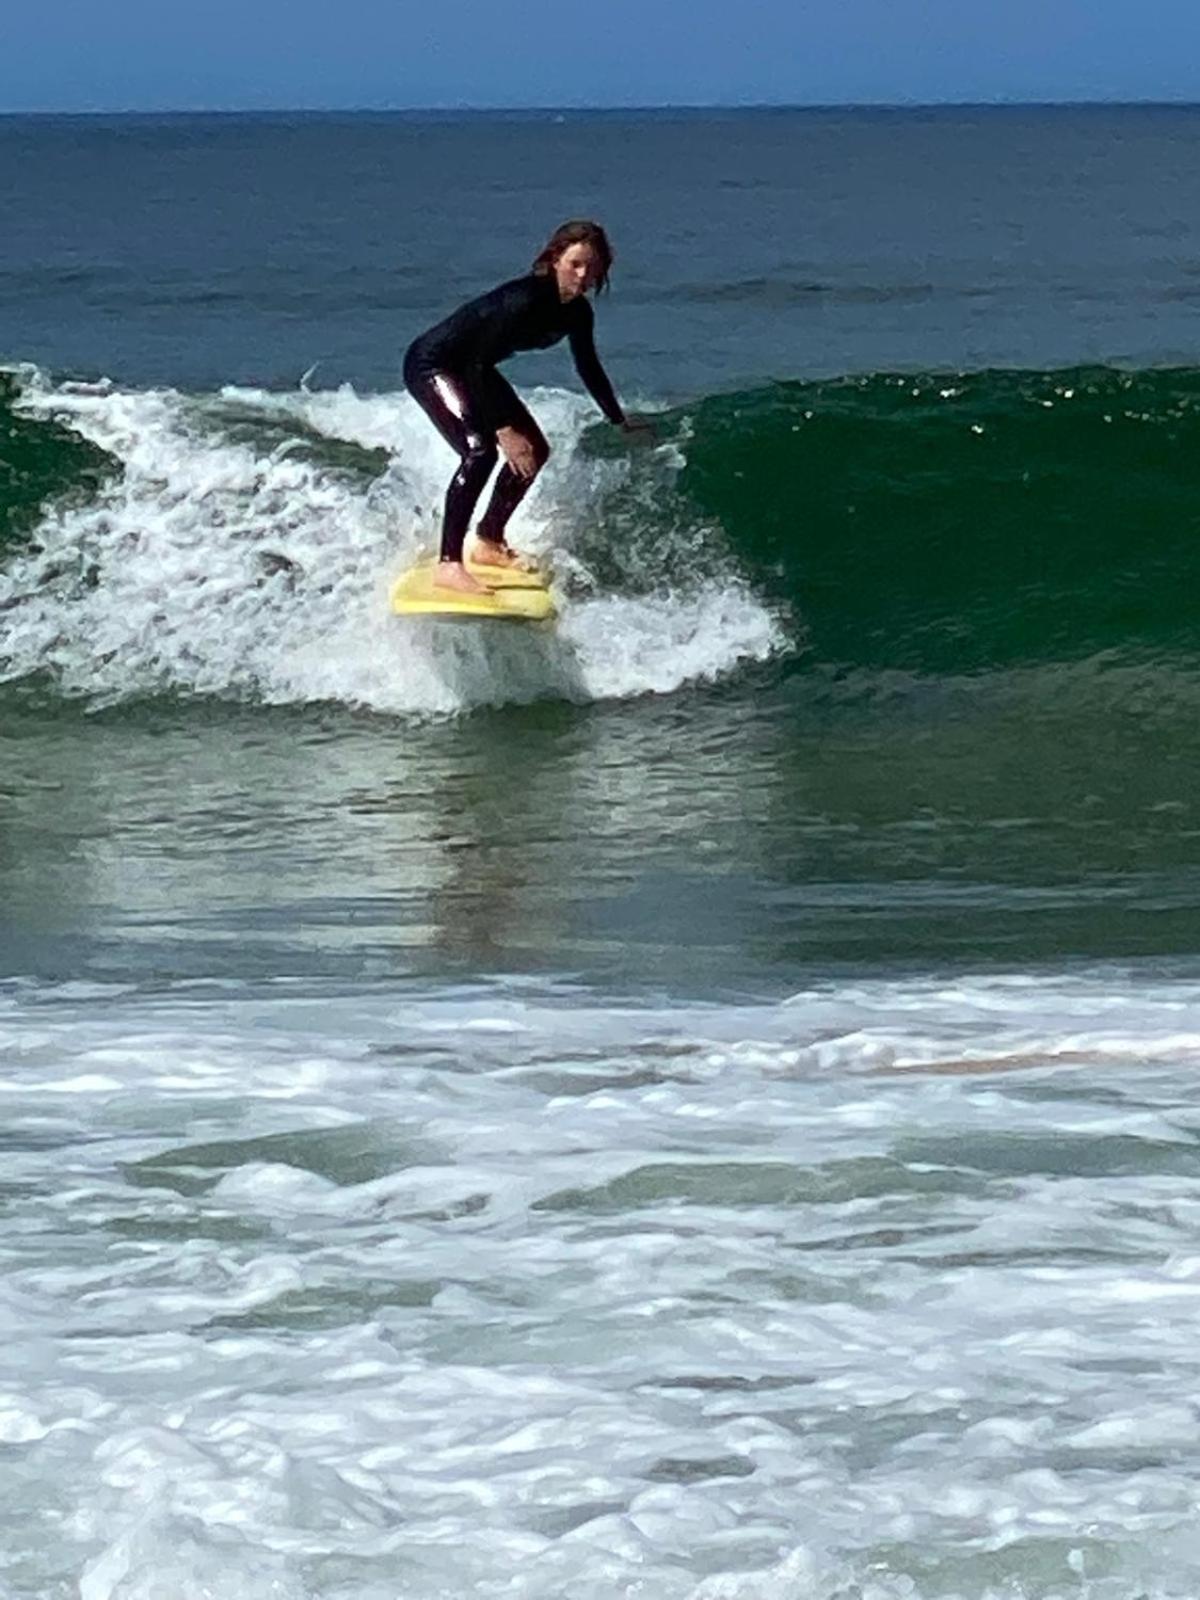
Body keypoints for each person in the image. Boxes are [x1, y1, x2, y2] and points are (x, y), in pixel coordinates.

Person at [403, 219, 645, 595]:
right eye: (575, 264)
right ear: (555, 259)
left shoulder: (577, 313)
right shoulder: (525, 299)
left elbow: (588, 366)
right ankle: (449, 565)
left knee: (535, 450)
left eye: (592, 268)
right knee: (480, 452)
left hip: (476, 368)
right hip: (435, 365)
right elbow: (474, 362)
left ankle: (489, 540)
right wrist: (503, 428)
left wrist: (618, 419)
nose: (583, 275)